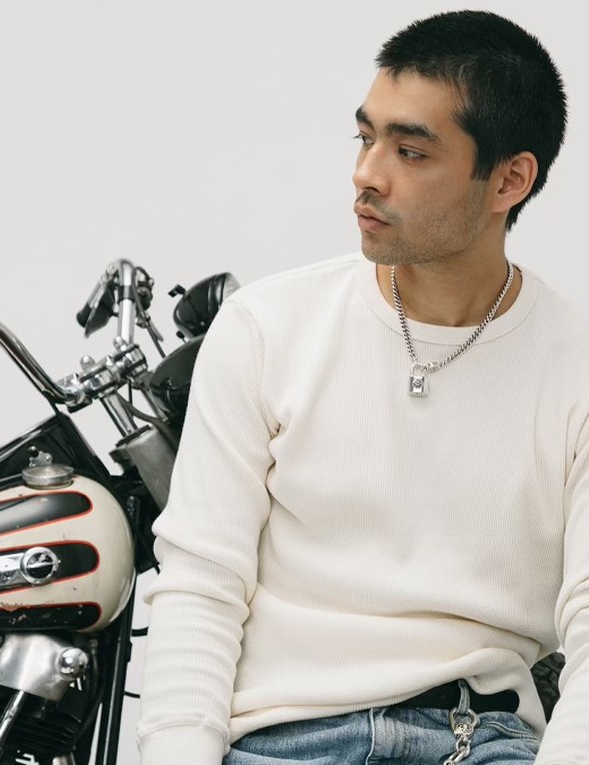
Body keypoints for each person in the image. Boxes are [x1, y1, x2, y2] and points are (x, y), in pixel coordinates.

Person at [137, 10, 587, 765]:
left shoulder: (574, 368)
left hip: (478, 738)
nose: (367, 174)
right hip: (282, 741)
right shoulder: (265, 329)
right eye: (365, 137)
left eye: (410, 151)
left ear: (510, 179)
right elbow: (200, 588)